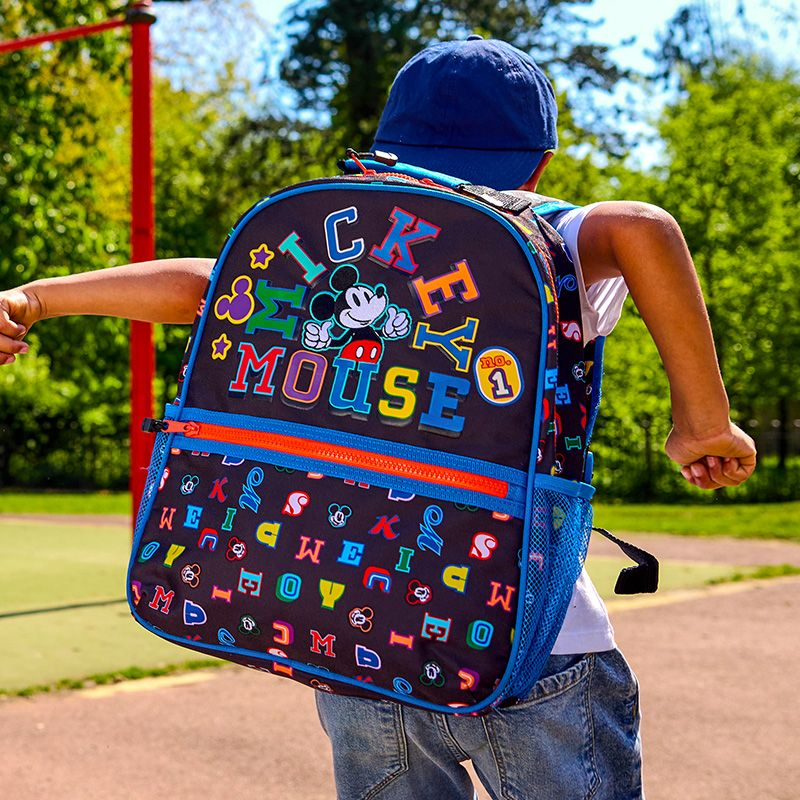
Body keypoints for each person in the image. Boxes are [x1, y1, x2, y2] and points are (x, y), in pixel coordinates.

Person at [0, 36, 755, 800]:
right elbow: (644, 228)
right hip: (531, 648)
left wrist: (35, 298)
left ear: (383, 155)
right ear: (538, 166)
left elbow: (211, 285)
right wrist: (702, 424)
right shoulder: (547, 239)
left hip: (356, 638)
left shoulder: (336, 254)